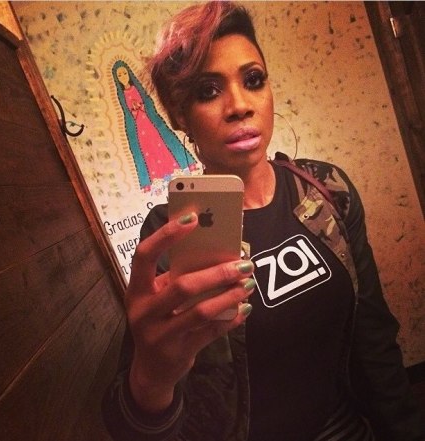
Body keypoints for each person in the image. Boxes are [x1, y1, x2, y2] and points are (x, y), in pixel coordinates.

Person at [102, 2, 425, 441]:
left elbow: (374, 342)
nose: (240, 106)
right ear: (180, 115)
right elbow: (133, 421)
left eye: (253, 80)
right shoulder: (172, 234)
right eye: (208, 90)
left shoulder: (327, 191)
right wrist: (150, 378)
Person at [112, 60, 197, 193]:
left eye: (124, 73)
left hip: (149, 122)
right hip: (139, 127)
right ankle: (159, 179)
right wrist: (134, 111)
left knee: (160, 144)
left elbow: (147, 103)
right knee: (148, 151)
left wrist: (141, 107)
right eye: (120, 75)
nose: (123, 77)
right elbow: (127, 113)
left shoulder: (137, 89)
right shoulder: (122, 96)